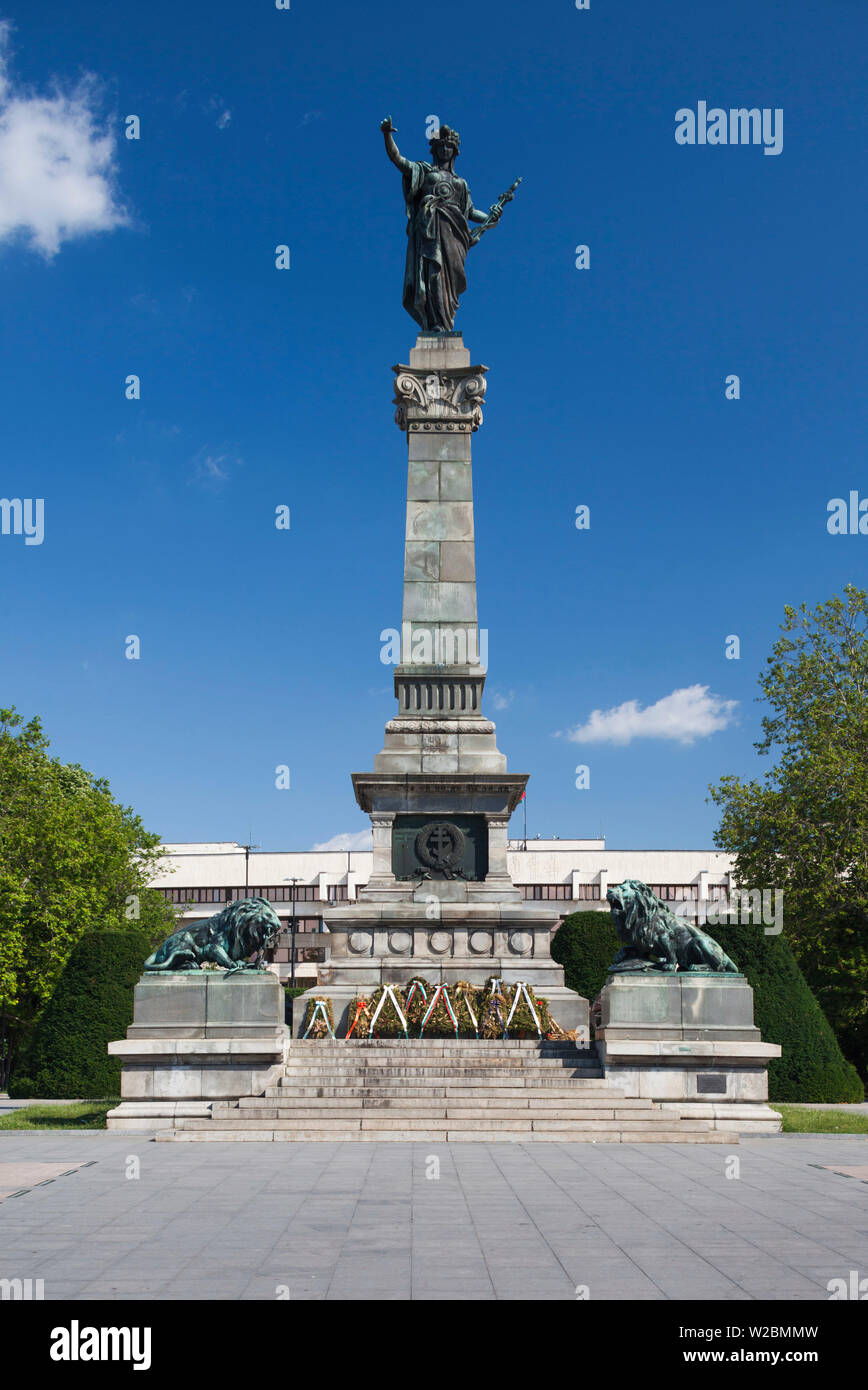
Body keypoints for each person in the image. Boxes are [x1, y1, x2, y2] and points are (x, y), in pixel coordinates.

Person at [380, 116, 501, 332]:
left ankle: (445, 322)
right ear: (434, 149)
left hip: (453, 238)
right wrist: (387, 135)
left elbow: (471, 211)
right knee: (432, 276)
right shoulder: (424, 171)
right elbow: (397, 160)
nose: (445, 150)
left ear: (455, 152)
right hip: (429, 234)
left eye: (449, 147)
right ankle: (435, 324)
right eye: (441, 146)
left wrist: (492, 216)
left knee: (449, 282)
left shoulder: (460, 183)